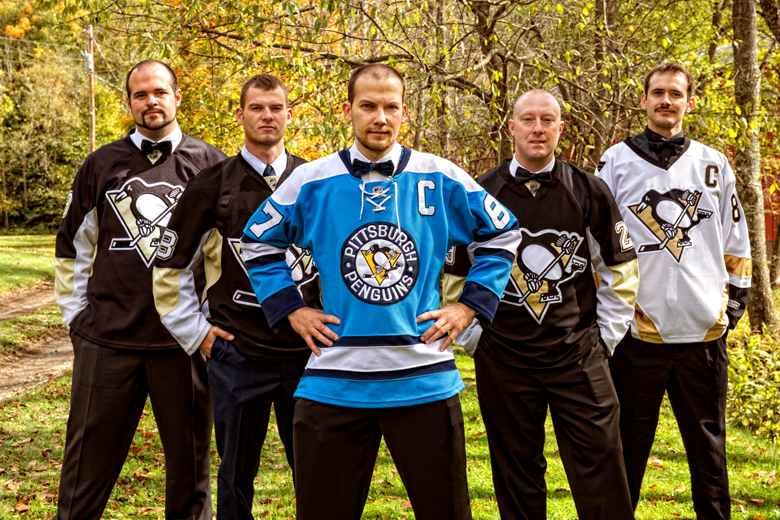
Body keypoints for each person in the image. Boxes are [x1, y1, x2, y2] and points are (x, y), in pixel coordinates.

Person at [240, 63, 521, 520]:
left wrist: (470, 306)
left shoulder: (441, 176)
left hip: (424, 381)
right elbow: (256, 240)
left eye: (391, 107)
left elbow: (503, 234)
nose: (380, 118)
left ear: (404, 112)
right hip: (334, 383)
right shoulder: (312, 180)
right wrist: (291, 309)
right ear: (347, 110)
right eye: (368, 106)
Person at [442, 89, 639, 520]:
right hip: (505, 358)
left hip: (578, 356)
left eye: (547, 120)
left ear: (560, 129)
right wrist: (475, 339)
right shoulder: (479, 192)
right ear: (511, 127)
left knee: (603, 467)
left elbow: (620, 267)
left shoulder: (589, 189)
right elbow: (455, 274)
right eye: (527, 120)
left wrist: (605, 338)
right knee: (517, 476)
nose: (537, 128)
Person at [54, 59, 226, 520]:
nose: (151, 101)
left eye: (159, 92)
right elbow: (73, 246)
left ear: (176, 97)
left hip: (183, 346)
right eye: (140, 94)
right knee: (85, 471)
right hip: (107, 342)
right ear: (129, 102)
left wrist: (206, 328)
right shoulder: (100, 165)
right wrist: (77, 320)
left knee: (191, 476)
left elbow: (224, 258)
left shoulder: (211, 165)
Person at [152, 73, 318, 519]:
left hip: (308, 355)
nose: (267, 116)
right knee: (235, 478)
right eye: (257, 107)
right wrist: (198, 334)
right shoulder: (213, 182)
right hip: (238, 357)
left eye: (276, 107)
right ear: (241, 114)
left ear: (289, 115)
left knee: (317, 472)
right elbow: (169, 268)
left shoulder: (316, 179)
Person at [596, 63, 751, 519]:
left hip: (702, 333)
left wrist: (732, 306)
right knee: (626, 451)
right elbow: (597, 244)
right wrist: (610, 316)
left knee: (709, 454)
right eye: (657, 93)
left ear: (689, 101)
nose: (666, 101)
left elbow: (736, 239)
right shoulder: (615, 161)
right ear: (644, 100)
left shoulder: (713, 163)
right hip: (636, 333)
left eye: (675, 94)